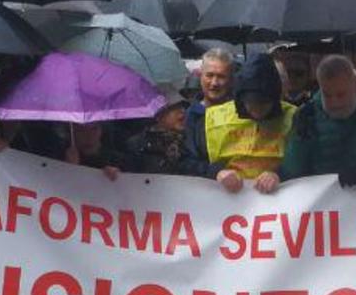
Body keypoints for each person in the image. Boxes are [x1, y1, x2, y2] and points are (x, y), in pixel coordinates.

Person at [281, 54, 356, 184]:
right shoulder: (307, 117)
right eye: (327, 95)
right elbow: (292, 172)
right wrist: (301, 142)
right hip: (324, 202)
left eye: (341, 95)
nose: (335, 103)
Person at [203, 54, 294, 194]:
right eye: (251, 104)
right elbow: (191, 161)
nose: (257, 111)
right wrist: (217, 172)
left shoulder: (295, 117)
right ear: (241, 99)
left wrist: (279, 175)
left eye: (263, 104)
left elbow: (306, 160)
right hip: (226, 200)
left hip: (279, 202)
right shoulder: (214, 117)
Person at [179, 47, 237, 177]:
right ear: (200, 76)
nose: (214, 83)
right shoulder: (189, 116)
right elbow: (185, 161)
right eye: (209, 75)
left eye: (221, 77)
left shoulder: (242, 113)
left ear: (231, 79)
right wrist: (216, 172)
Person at [126, 97, 192, 175]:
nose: (182, 114)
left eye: (183, 108)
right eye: (174, 109)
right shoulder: (137, 144)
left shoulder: (191, 141)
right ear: (158, 116)